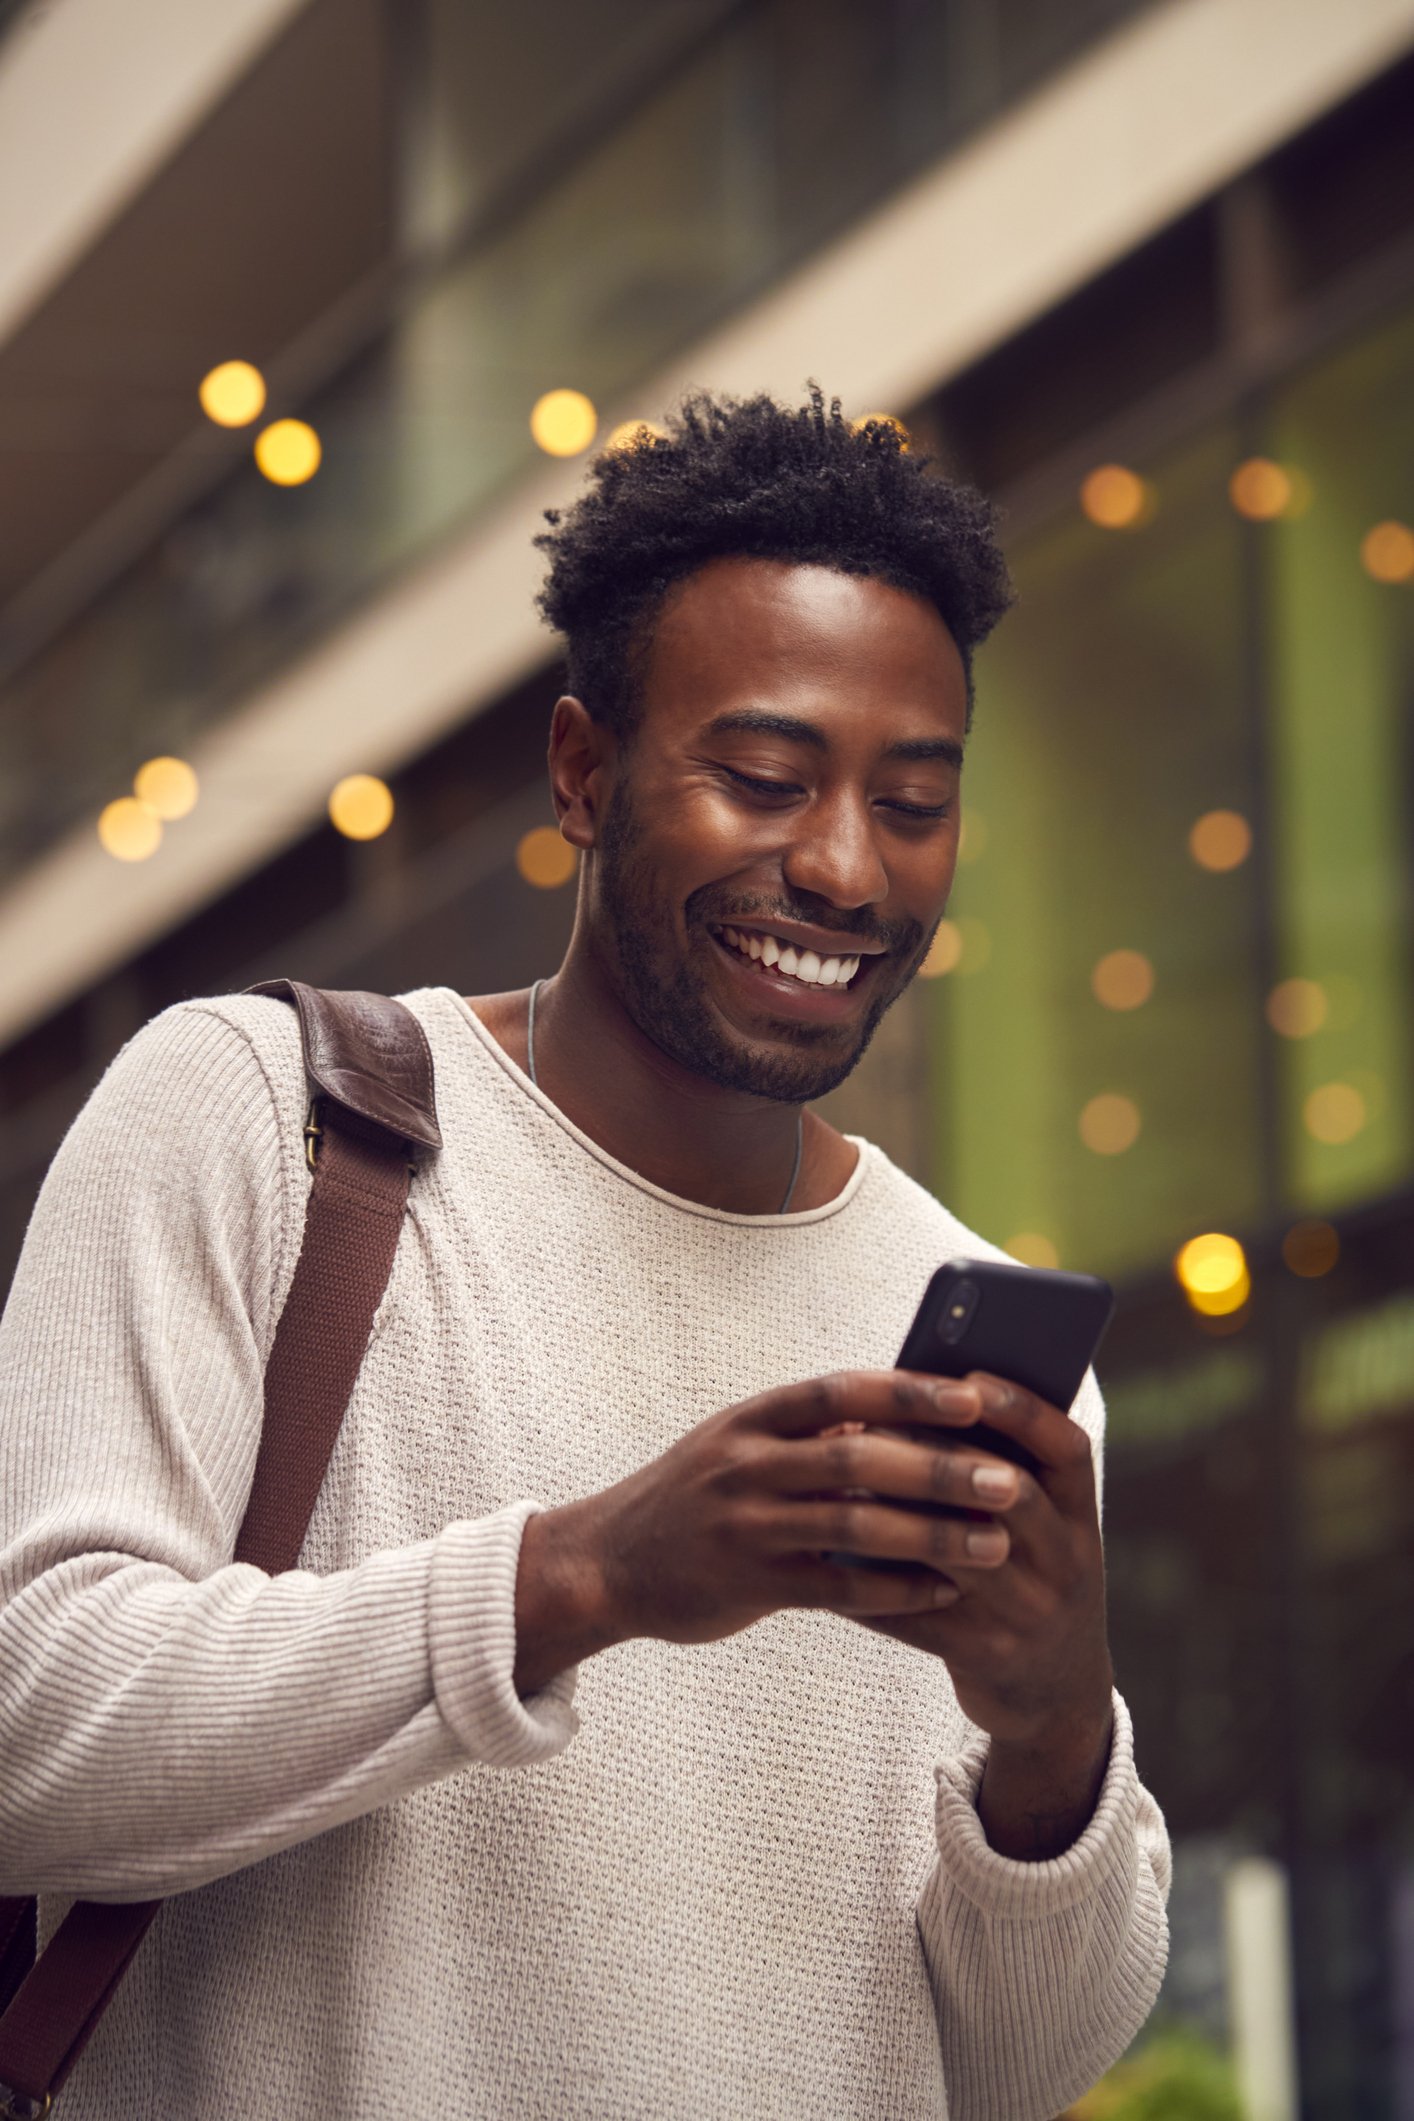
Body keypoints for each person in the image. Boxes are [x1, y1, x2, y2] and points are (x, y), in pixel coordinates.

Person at [0, 387, 1169, 2119]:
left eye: (911, 801)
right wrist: (579, 1577)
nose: (846, 868)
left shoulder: (966, 1332)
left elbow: (1008, 2070)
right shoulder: (261, 1114)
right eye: (766, 778)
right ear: (582, 768)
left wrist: (1054, 1740)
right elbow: (30, 1731)